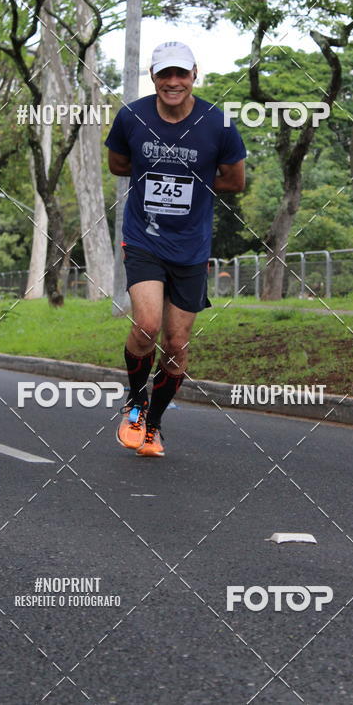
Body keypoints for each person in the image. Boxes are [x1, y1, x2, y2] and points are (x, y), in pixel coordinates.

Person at [105, 41, 246, 457]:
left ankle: (154, 424)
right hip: (144, 237)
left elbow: (235, 181)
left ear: (194, 75)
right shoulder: (132, 116)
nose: (172, 82)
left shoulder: (217, 123)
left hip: (190, 246)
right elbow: (118, 164)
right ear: (153, 76)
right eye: (164, 74)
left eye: (180, 74)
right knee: (146, 325)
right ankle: (134, 402)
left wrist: (195, 182)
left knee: (177, 346)